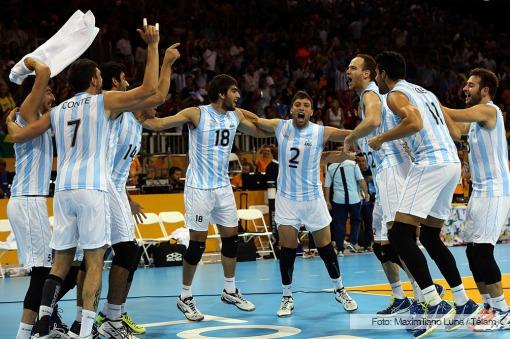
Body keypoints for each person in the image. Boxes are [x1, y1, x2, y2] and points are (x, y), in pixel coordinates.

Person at [10, 21, 161, 339]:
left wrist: (11, 124)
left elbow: (21, 134)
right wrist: (151, 46)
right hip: (92, 189)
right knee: (94, 263)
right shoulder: (104, 101)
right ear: (96, 79)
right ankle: (86, 330)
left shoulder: (59, 110)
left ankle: (45, 318)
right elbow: (150, 91)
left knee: (61, 263)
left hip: (62, 191)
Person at [141, 73, 271, 321]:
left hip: (222, 186)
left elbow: (257, 131)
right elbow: (159, 124)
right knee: (197, 244)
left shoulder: (236, 115)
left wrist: (285, 130)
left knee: (231, 239)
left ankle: (230, 290)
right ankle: (185, 296)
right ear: (221, 93)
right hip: (199, 187)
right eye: (234, 90)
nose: (238, 95)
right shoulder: (196, 114)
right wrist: (141, 114)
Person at [368, 51, 478, 338]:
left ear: (380, 72)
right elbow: (455, 132)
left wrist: (380, 138)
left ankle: (433, 303)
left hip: (430, 163)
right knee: (429, 236)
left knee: (399, 235)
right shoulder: (425, 92)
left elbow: (414, 123)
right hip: (451, 162)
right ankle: (463, 302)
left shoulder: (394, 95)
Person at [243, 90, 358, 317]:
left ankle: (340, 290)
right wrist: (233, 111)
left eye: (306, 104)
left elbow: (346, 136)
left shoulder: (320, 132)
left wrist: (368, 135)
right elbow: (256, 120)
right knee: (287, 249)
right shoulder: (281, 126)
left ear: (312, 111)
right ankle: (287, 297)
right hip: (287, 199)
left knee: (325, 248)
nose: (302, 108)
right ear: (292, 109)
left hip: (312, 199)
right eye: (298, 104)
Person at [343, 54, 415, 316]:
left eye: (353, 67)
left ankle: (423, 296)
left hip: (392, 172)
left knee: (400, 240)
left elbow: (373, 121)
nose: (347, 71)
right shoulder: (370, 96)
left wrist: (351, 136)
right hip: (383, 174)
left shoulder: (370, 95)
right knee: (381, 246)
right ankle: (400, 297)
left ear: (368, 74)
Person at [441, 68, 510, 331]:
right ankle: (488, 306)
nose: (465, 89)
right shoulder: (474, 121)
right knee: (471, 251)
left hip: (495, 190)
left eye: (470, 85)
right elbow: (455, 131)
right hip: (479, 191)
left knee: (483, 250)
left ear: (484, 91)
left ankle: (503, 311)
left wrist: (431, 104)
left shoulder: (490, 111)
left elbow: (455, 114)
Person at [324, 157, 368, 255]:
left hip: (338, 199)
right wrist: (366, 194)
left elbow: (327, 185)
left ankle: (340, 248)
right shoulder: (353, 164)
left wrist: (327, 200)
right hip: (354, 198)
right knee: (356, 220)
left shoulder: (331, 166)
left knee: (339, 223)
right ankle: (352, 242)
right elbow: (361, 180)